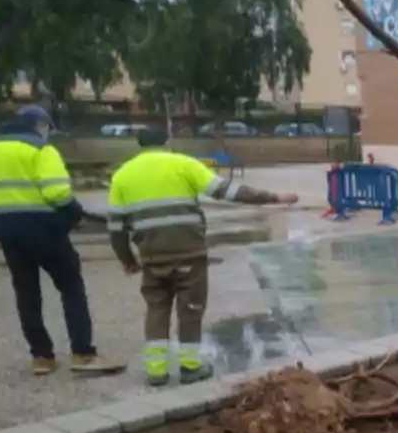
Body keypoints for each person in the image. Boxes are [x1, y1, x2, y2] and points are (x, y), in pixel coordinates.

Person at [107, 129, 299, 386]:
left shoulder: (122, 175)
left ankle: (156, 371)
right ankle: (190, 367)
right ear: (167, 141)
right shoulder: (183, 164)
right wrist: (273, 197)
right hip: (190, 253)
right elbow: (226, 191)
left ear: (139, 145)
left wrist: (127, 259)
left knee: (156, 309)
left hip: (153, 257)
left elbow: (116, 227)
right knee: (190, 310)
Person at [0, 105, 125, 376]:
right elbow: (56, 193)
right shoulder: (41, 150)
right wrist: (75, 216)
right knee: (71, 286)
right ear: (40, 126)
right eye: (48, 129)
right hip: (44, 229)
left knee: (26, 293)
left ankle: (41, 357)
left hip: (6, 230)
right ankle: (83, 353)